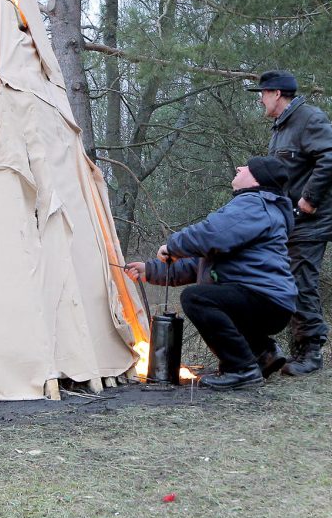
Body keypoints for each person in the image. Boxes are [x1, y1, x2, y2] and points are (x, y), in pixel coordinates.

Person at [124, 156, 298, 390]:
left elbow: (210, 235)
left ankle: (242, 369)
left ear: (258, 180)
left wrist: (173, 245)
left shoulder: (255, 205)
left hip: (264, 300)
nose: (239, 167)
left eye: (247, 167)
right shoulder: (256, 209)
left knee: (197, 297)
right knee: (213, 297)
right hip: (268, 302)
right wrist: (150, 271)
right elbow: (199, 263)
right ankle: (263, 353)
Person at [248, 70, 332, 376]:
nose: (260, 99)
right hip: (288, 223)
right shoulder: (281, 127)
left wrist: (309, 199)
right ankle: (292, 352)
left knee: (302, 283)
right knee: (285, 283)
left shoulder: (308, 119)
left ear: (276, 93)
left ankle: (311, 353)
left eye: (262, 93)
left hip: (310, 223)